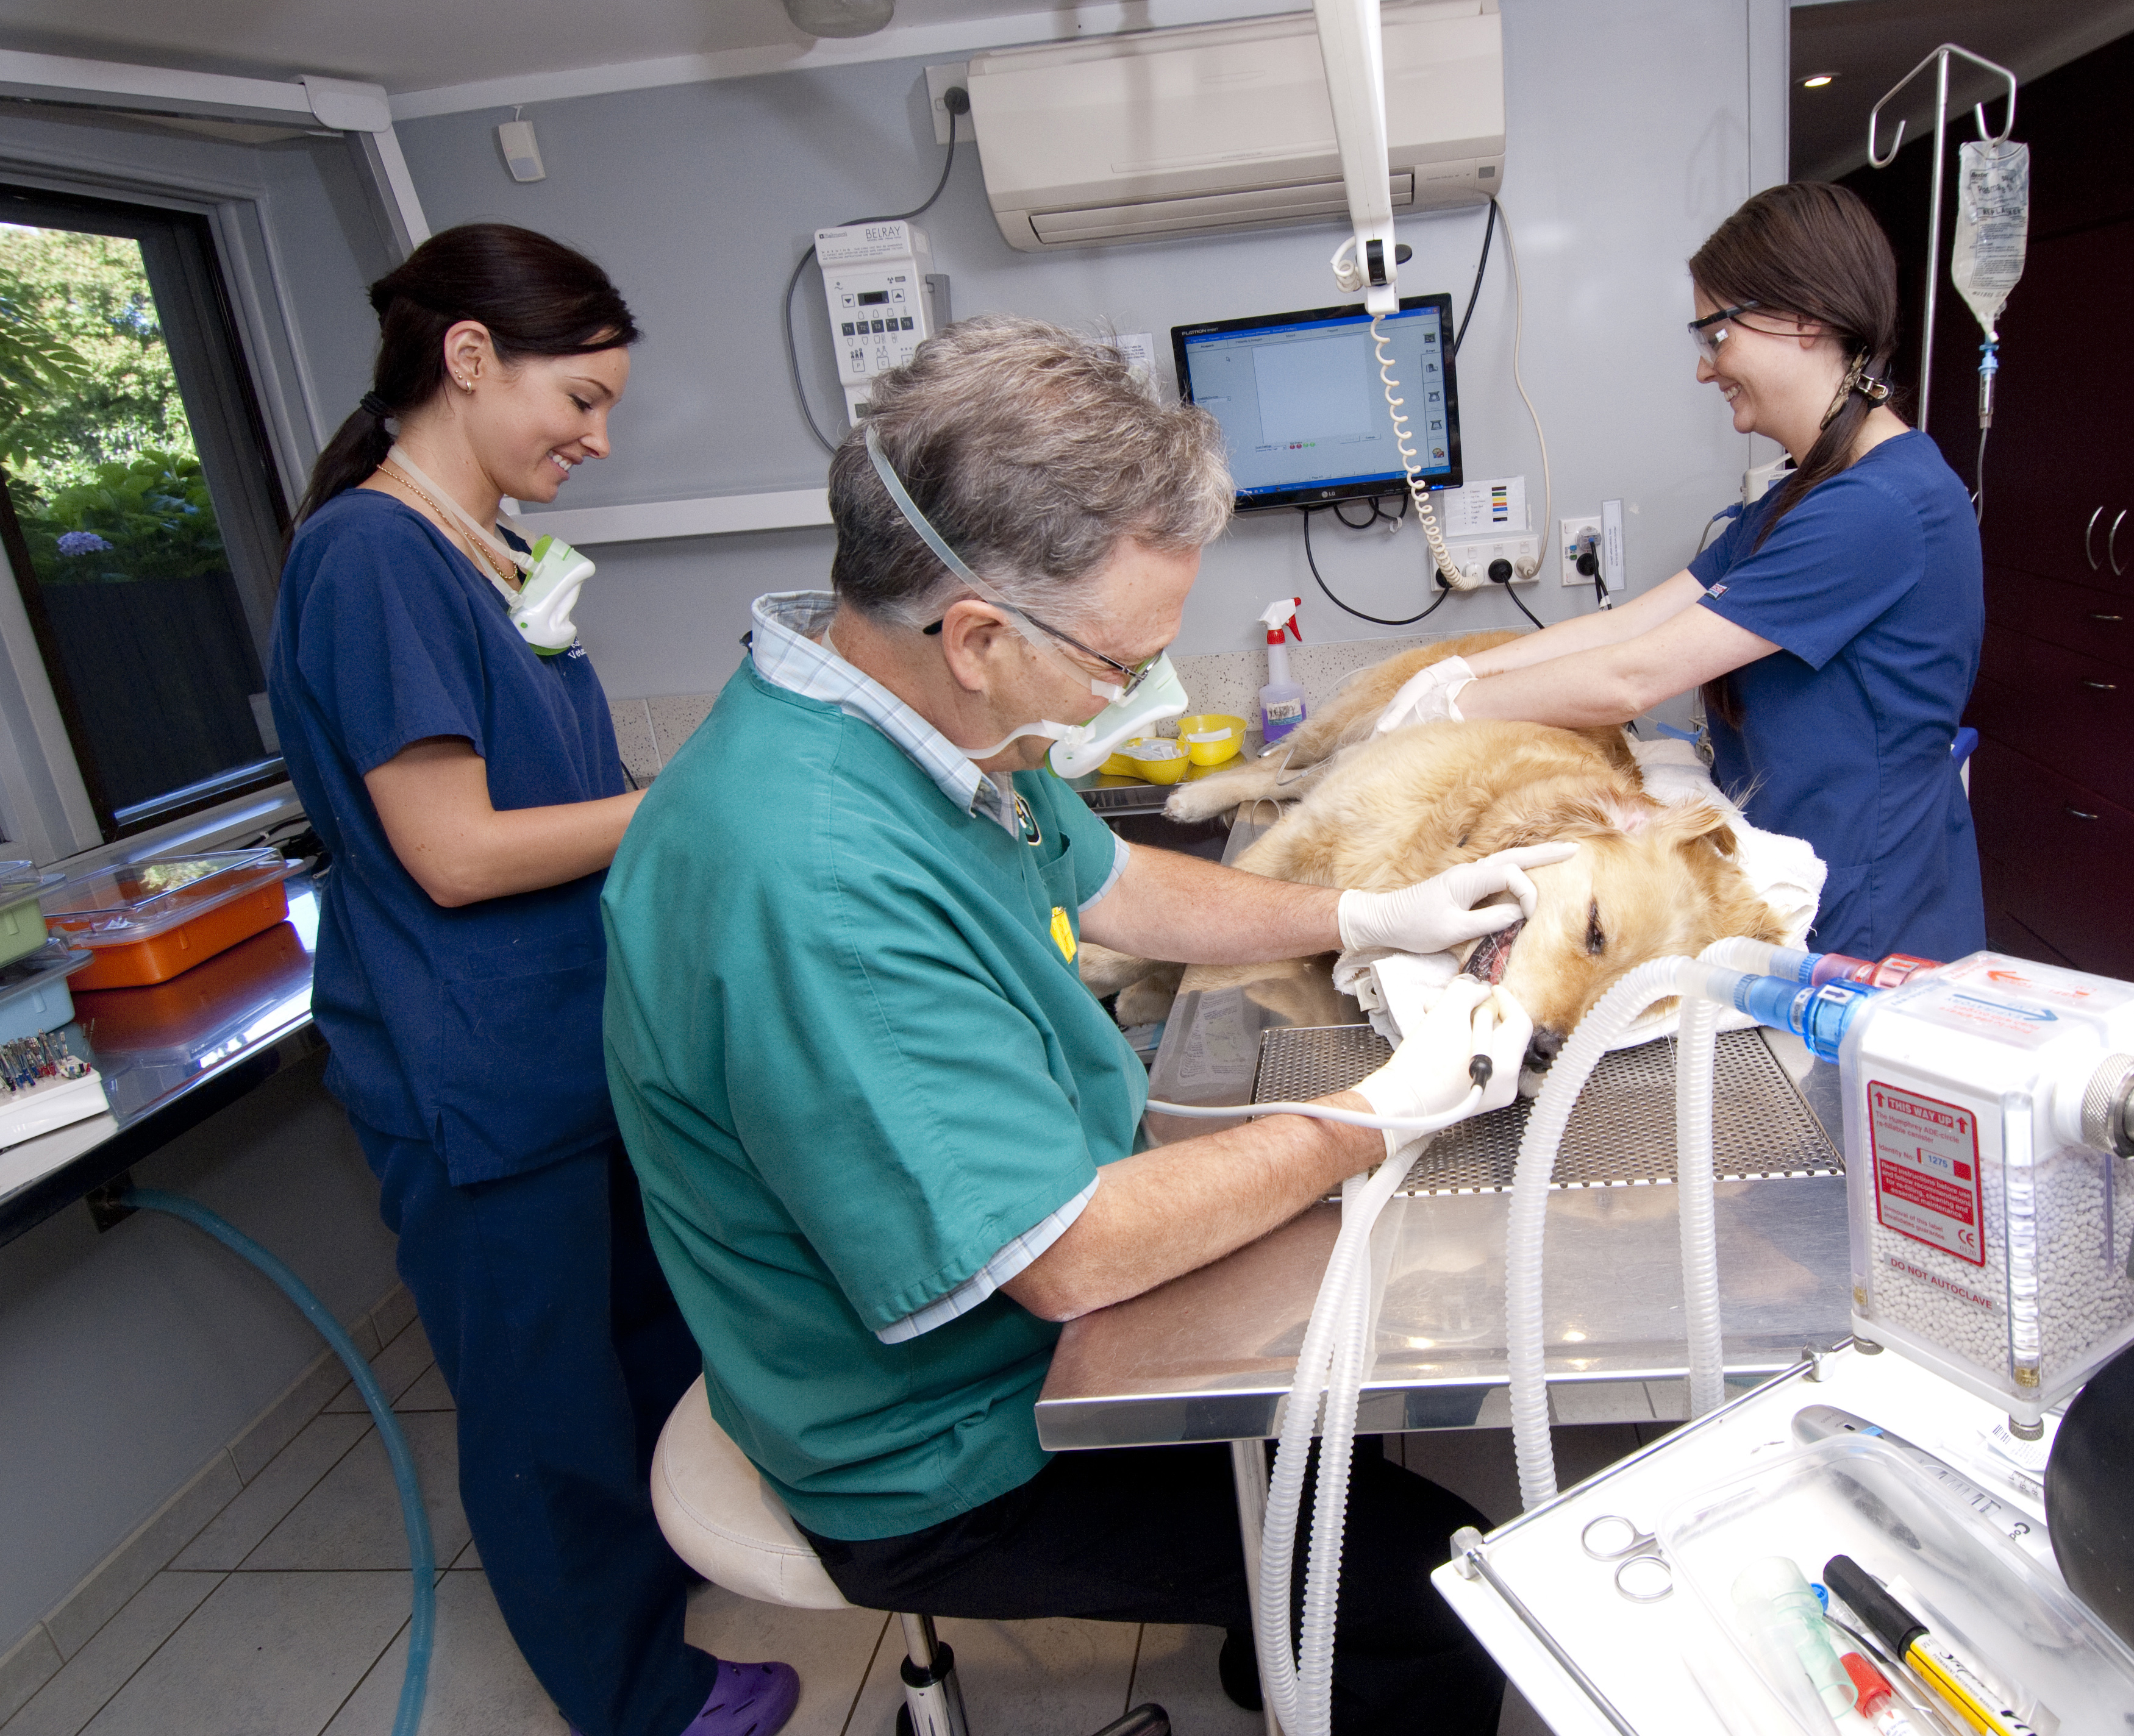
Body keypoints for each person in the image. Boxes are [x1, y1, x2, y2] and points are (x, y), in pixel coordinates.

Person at [601, 315, 1560, 1736]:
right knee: (1423, 1593)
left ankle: (1290, 1655)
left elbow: (1111, 880)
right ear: (980, 634)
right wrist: (1384, 1110)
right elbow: (1066, 1255)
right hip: (938, 1449)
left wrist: (1365, 914)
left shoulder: (918, 724)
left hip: (996, 1351)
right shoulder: (805, 873)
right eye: (1126, 664)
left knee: (1331, 1500)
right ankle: (1334, 1654)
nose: (1147, 696)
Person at [268, 224, 799, 1736]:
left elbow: (560, 792)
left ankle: (661, 1602)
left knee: (645, 1344)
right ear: (468, 355)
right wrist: (696, 797)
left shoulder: (482, 548)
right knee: (544, 1403)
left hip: (578, 1049)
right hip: (477, 1072)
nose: (599, 436)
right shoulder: (370, 555)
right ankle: (635, 1695)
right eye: (580, 398)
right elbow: (451, 851)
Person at [1374, 182, 1986, 964]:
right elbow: (1627, 624)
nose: (1706, 369)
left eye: (1716, 334)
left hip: (1864, 908)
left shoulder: (1882, 508)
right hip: (1795, 875)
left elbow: (1634, 675)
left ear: (1804, 318)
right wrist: (1453, 671)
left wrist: (1455, 709)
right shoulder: (1801, 497)